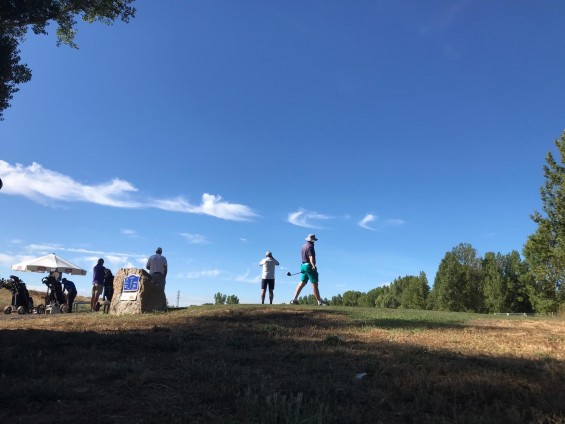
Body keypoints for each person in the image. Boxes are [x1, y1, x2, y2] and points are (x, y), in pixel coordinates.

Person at [290, 234, 327, 306]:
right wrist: (313, 265)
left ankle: (294, 299)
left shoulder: (303, 246)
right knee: (314, 284)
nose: (315, 242)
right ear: (312, 240)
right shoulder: (311, 246)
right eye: (314, 240)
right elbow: (311, 256)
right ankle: (319, 302)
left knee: (302, 283)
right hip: (309, 266)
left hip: (303, 266)